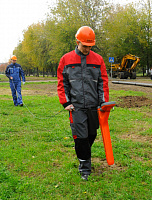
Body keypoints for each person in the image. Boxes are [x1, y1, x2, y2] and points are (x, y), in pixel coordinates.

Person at [57, 26, 109, 181]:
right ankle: (85, 168)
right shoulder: (66, 59)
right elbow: (62, 83)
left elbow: (103, 82)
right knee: (81, 137)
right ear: (77, 41)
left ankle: (83, 153)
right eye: (85, 46)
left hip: (94, 106)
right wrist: (65, 102)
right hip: (76, 106)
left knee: (91, 135)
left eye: (90, 46)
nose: (87, 49)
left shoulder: (98, 60)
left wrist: (103, 103)